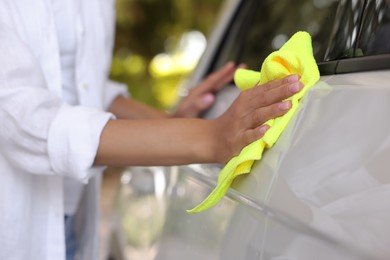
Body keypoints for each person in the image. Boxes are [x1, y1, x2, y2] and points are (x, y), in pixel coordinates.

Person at [0, 1, 303, 260]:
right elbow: (22, 118)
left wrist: (170, 123)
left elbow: (85, 87)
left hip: (73, 219)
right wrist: (209, 136)